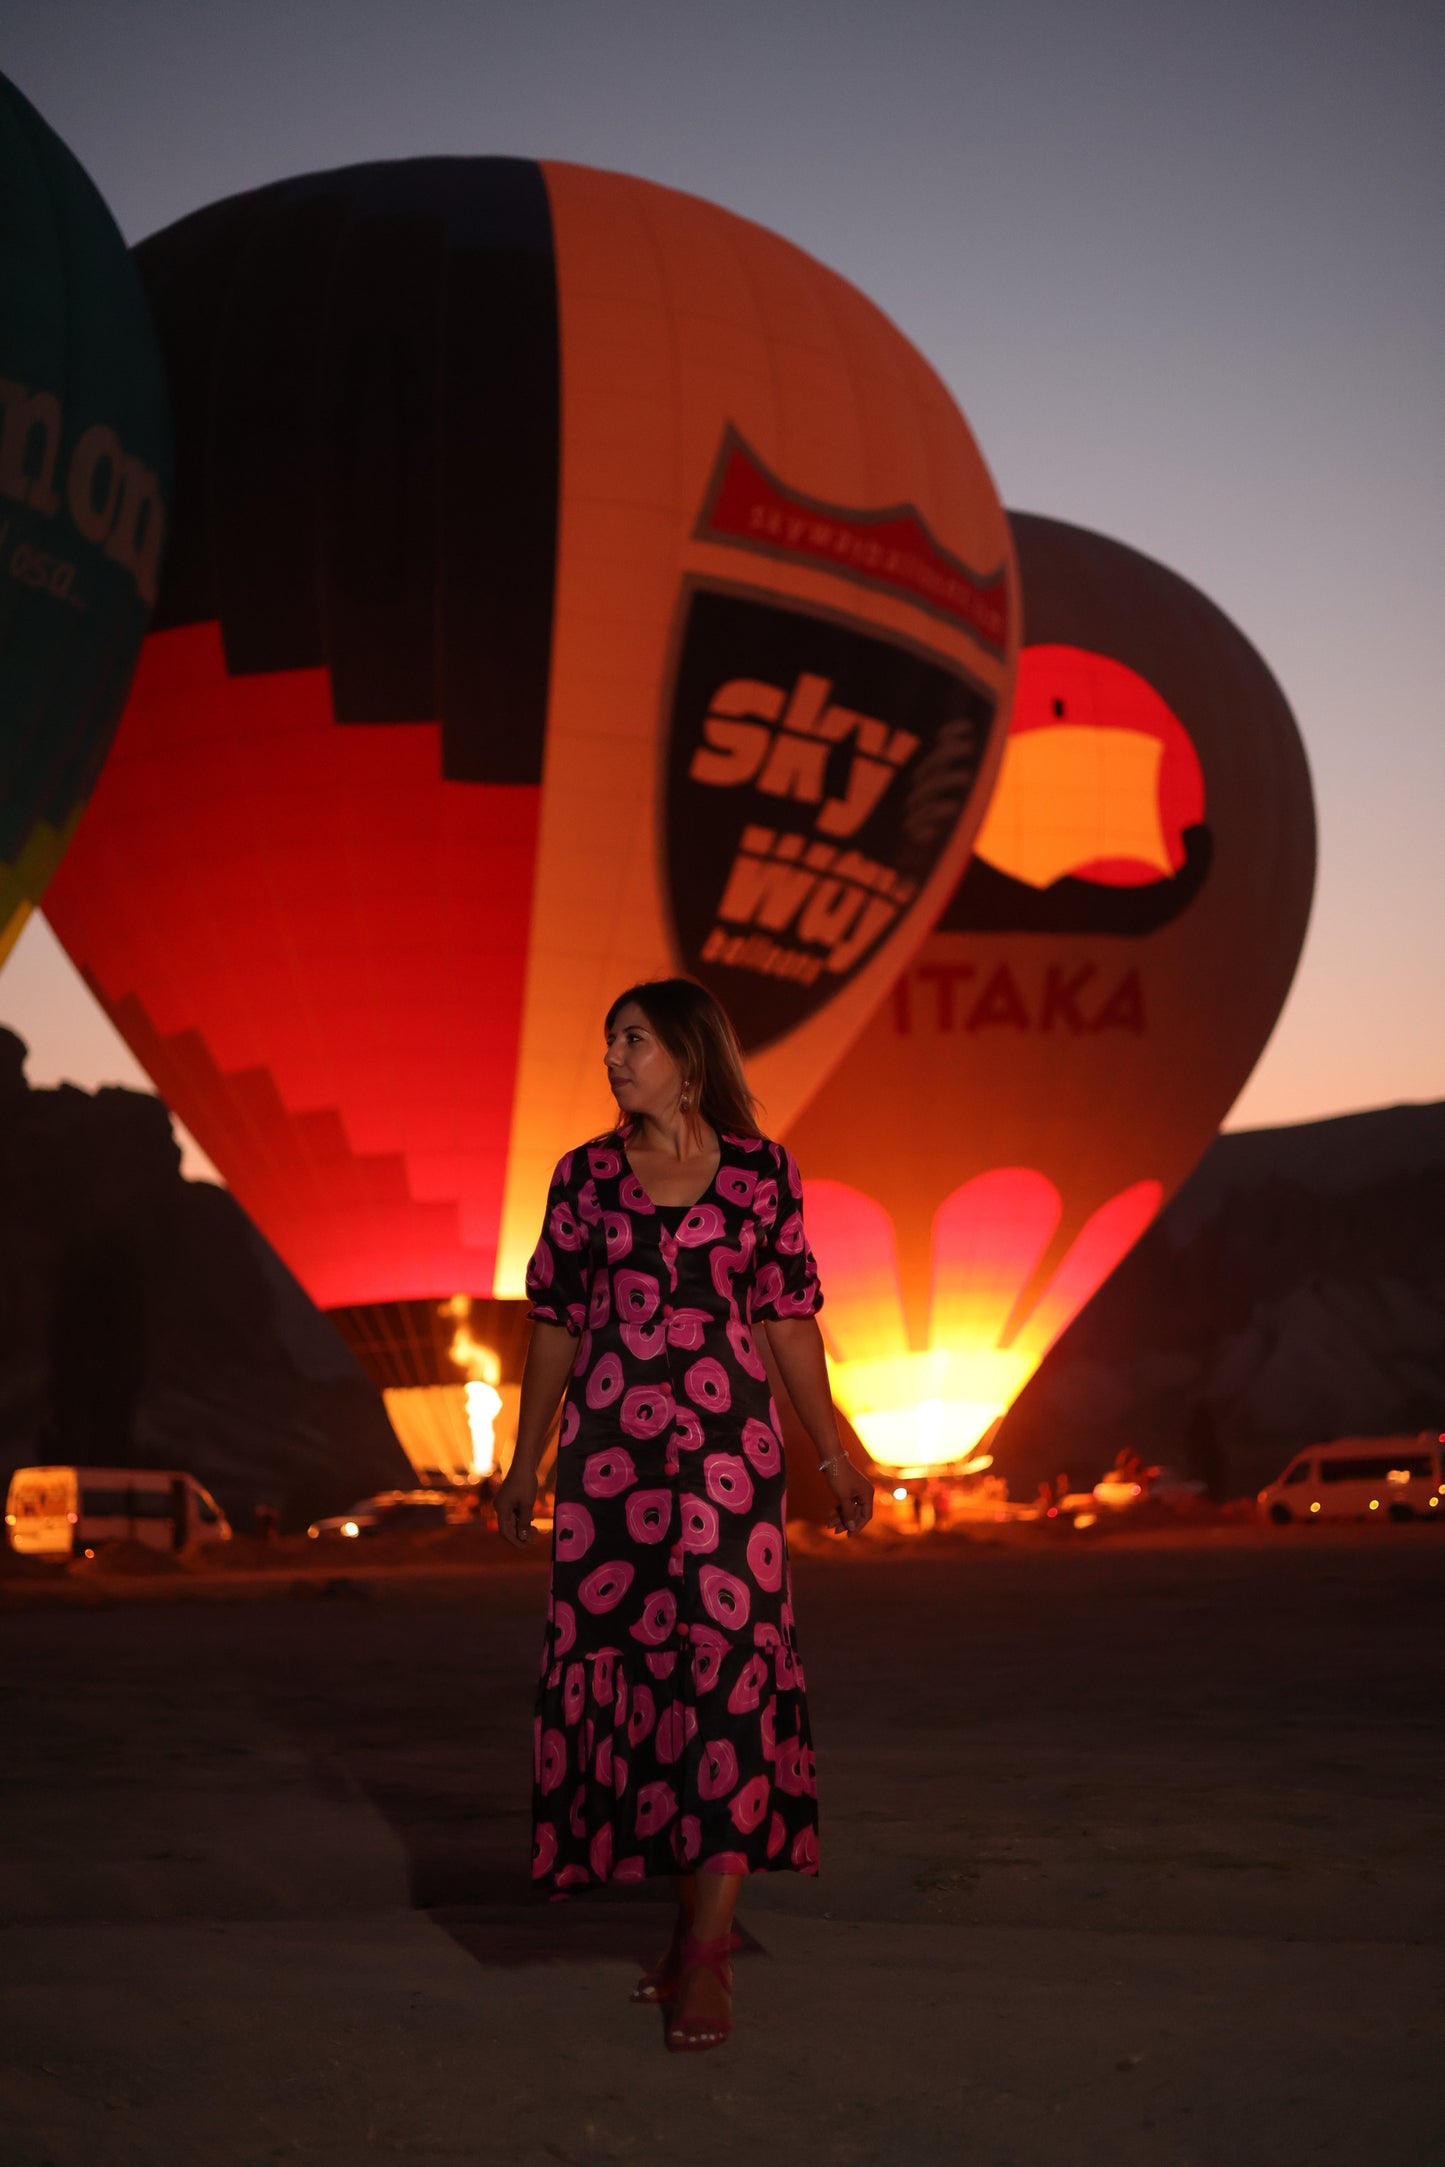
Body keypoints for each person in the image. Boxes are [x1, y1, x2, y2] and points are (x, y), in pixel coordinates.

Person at [493, 978, 873, 2052]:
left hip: (727, 1468)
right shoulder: (584, 1178)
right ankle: (685, 1930)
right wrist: (525, 1461)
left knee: (723, 1674)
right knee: (642, 1677)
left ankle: (707, 1953)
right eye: (607, 1039)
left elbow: (789, 1322)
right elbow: (557, 1325)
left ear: (689, 1055)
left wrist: (835, 1452)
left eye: (633, 1040)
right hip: (607, 1471)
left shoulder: (760, 1175)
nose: (611, 1056)